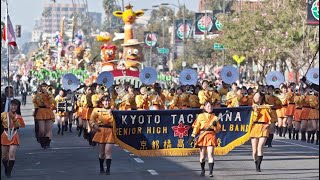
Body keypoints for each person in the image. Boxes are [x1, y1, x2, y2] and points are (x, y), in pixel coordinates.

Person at [188, 101, 221, 177]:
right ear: (205, 107)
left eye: (211, 106)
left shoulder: (215, 117)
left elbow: (218, 130)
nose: (210, 108)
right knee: (202, 156)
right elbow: (196, 127)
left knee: (210, 154)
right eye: (208, 106)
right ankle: (203, 170)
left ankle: (210, 172)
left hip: (211, 135)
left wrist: (215, 126)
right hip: (202, 135)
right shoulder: (200, 116)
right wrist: (192, 136)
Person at [89, 95, 115, 175]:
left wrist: (111, 114)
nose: (106, 102)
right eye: (105, 101)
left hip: (110, 131)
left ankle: (108, 169)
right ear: (102, 102)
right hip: (101, 131)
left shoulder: (114, 111)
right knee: (101, 153)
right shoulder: (97, 110)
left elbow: (116, 122)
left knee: (108, 151)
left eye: (108, 101)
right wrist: (94, 125)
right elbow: (91, 119)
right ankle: (101, 167)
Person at [1, 99, 25, 178]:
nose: (13, 107)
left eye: (15, 105)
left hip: (14, 135)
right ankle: (6, 167)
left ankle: (9, 171)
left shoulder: (18, 116)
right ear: (9, 106)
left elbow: (19, 125)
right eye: (12, 105)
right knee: (4, 156)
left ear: (17, 107)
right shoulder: (3, 114)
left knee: (11, 154)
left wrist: (14, 118)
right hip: (5, 135)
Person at [250, 92, 271, 172]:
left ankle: (258, 166)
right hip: (255, 127)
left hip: (264, 127)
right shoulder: (252, 107)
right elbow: (253, 119)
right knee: (254, 151)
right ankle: (256, 162)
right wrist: (255, 111)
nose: (255, 98)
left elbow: (271, 118)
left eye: (257, 97)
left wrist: (268, 124)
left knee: (260, 146)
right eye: (254, 97)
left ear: (261, 98)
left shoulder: (266, 106)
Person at [32, 83, 56, 149]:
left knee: (48, 130)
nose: (44, 88)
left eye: (45, 87)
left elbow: (53, 101)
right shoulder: (38, 95)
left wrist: (49, 95)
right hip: (41, 111)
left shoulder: (50, 95)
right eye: (43, 87)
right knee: (42, 130)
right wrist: (39, 95)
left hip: (48, 111)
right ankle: (42, 141)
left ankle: (47, 143)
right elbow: (34, 101)